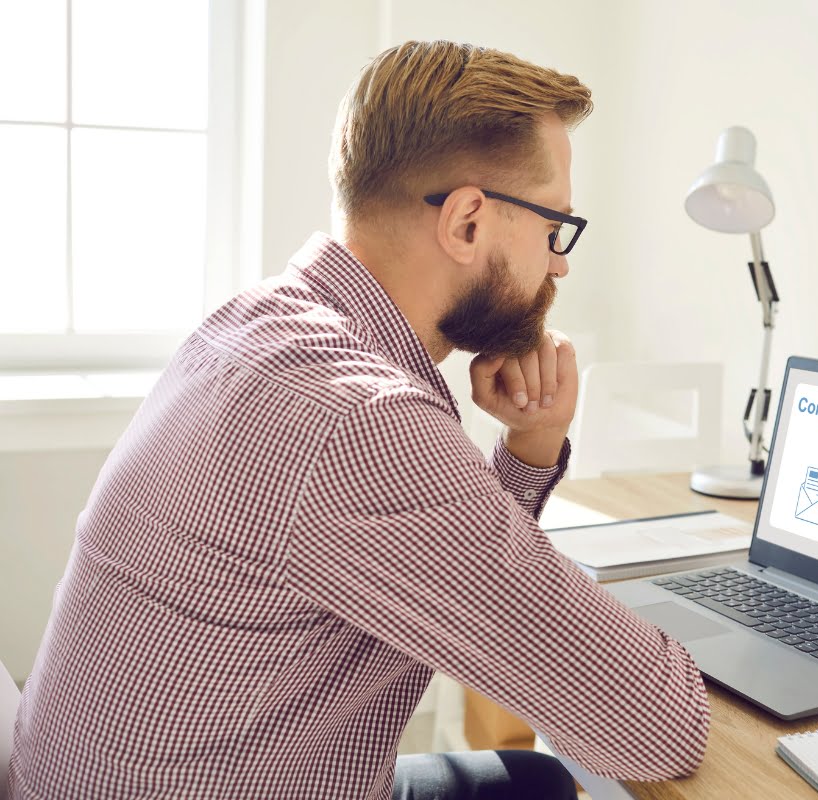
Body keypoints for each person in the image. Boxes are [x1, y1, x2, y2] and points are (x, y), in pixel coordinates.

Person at [7, 41, 709, 800]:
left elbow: (456, 582)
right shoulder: (358, 421)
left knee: (531, 780)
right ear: (469, 222)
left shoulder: (255, 325)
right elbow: (655, 725)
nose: (560, 266)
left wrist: (531, 444)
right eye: (554, 229)